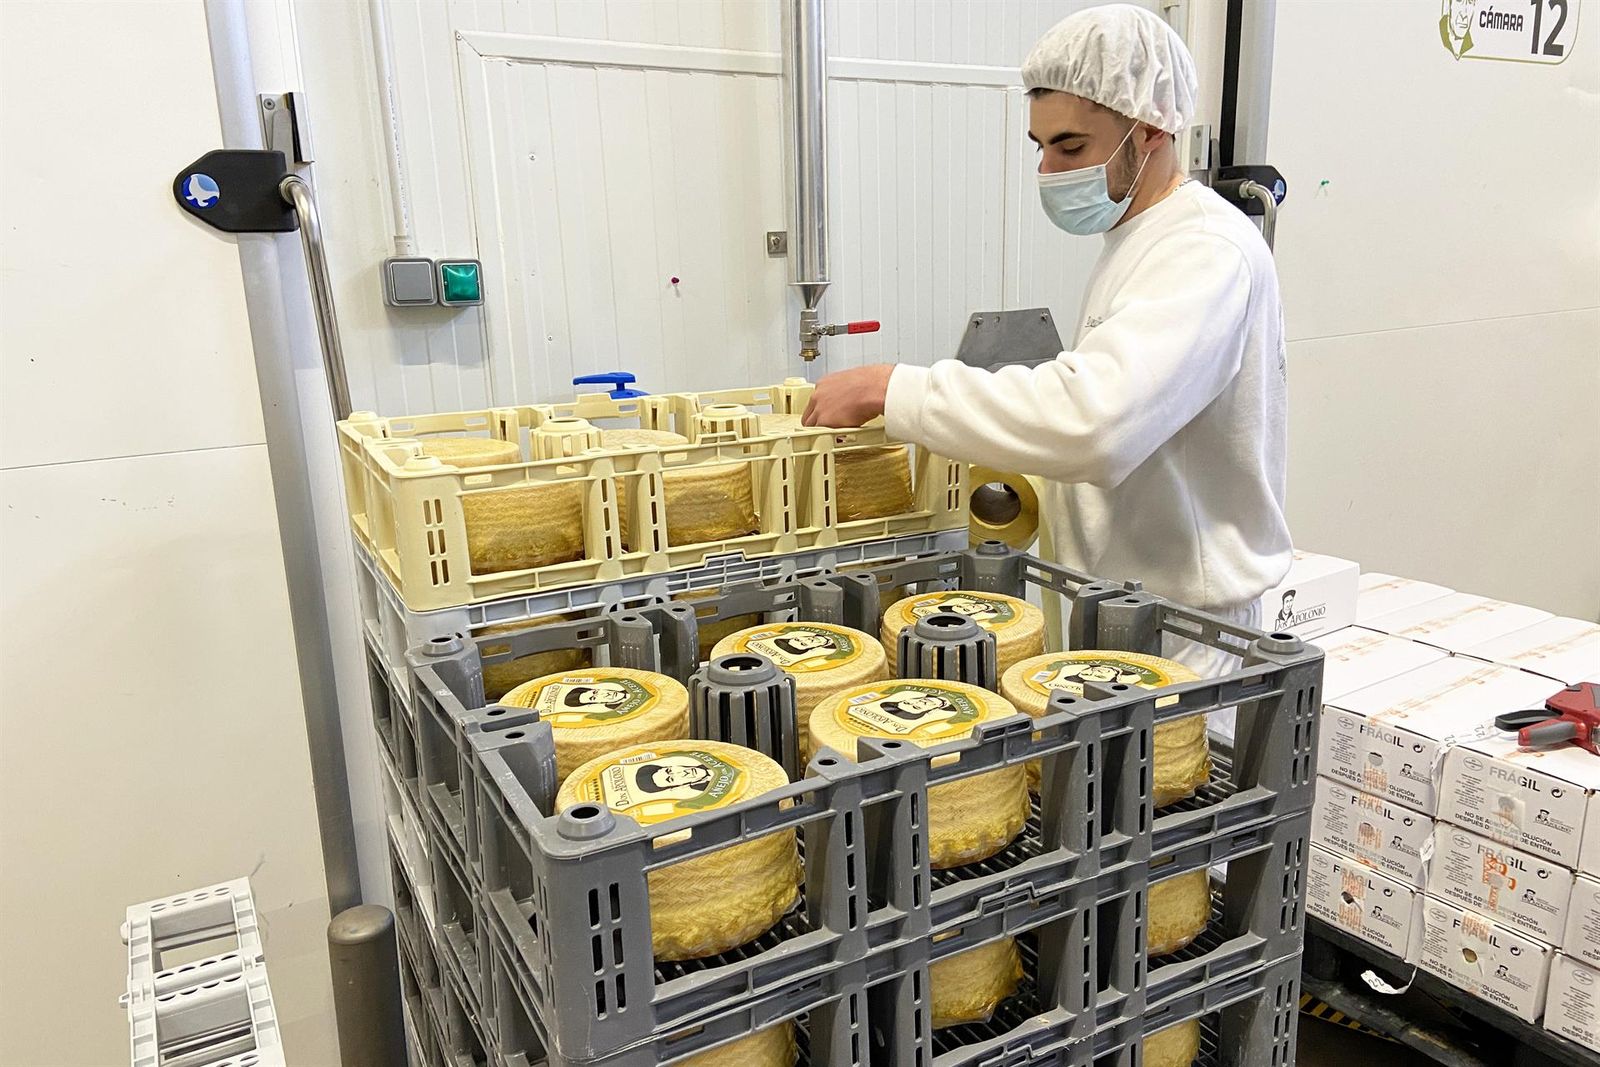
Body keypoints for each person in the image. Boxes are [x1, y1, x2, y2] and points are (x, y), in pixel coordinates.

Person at [802, 4, 1291, 688]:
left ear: (1150, 129)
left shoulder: (1203, 251)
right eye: (1039, 145)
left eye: (1070, 147)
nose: (1049, 169)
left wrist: (895, 388)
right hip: (1118, 624)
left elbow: (1096, 423)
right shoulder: (1139, 240)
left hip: (1184, 644)